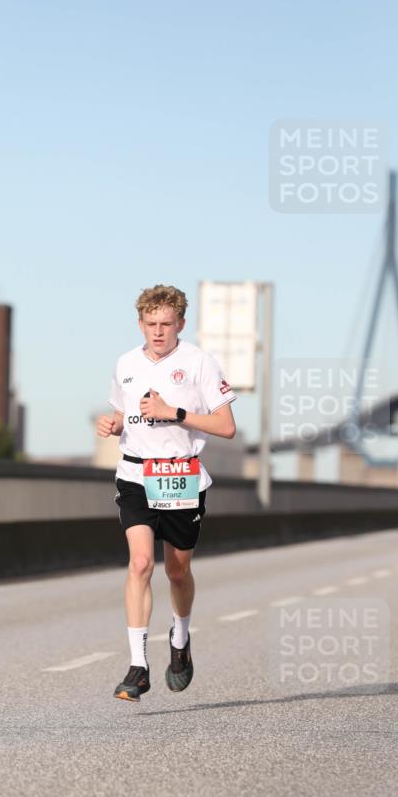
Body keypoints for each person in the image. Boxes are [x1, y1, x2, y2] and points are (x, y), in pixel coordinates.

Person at [96, 284, 237, 702]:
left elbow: (226, 426)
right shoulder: (125, 362)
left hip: (181, 477)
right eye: (151, 324)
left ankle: (180, 638)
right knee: (140, 563)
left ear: (181, 324)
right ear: (140, 323)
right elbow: (126, 412)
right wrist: (115, 424)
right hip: (136, 475)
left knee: (176, 571)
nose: (158, 332)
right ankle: (138, 667)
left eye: (166, 324)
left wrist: (172, 412)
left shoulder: (199, 363)